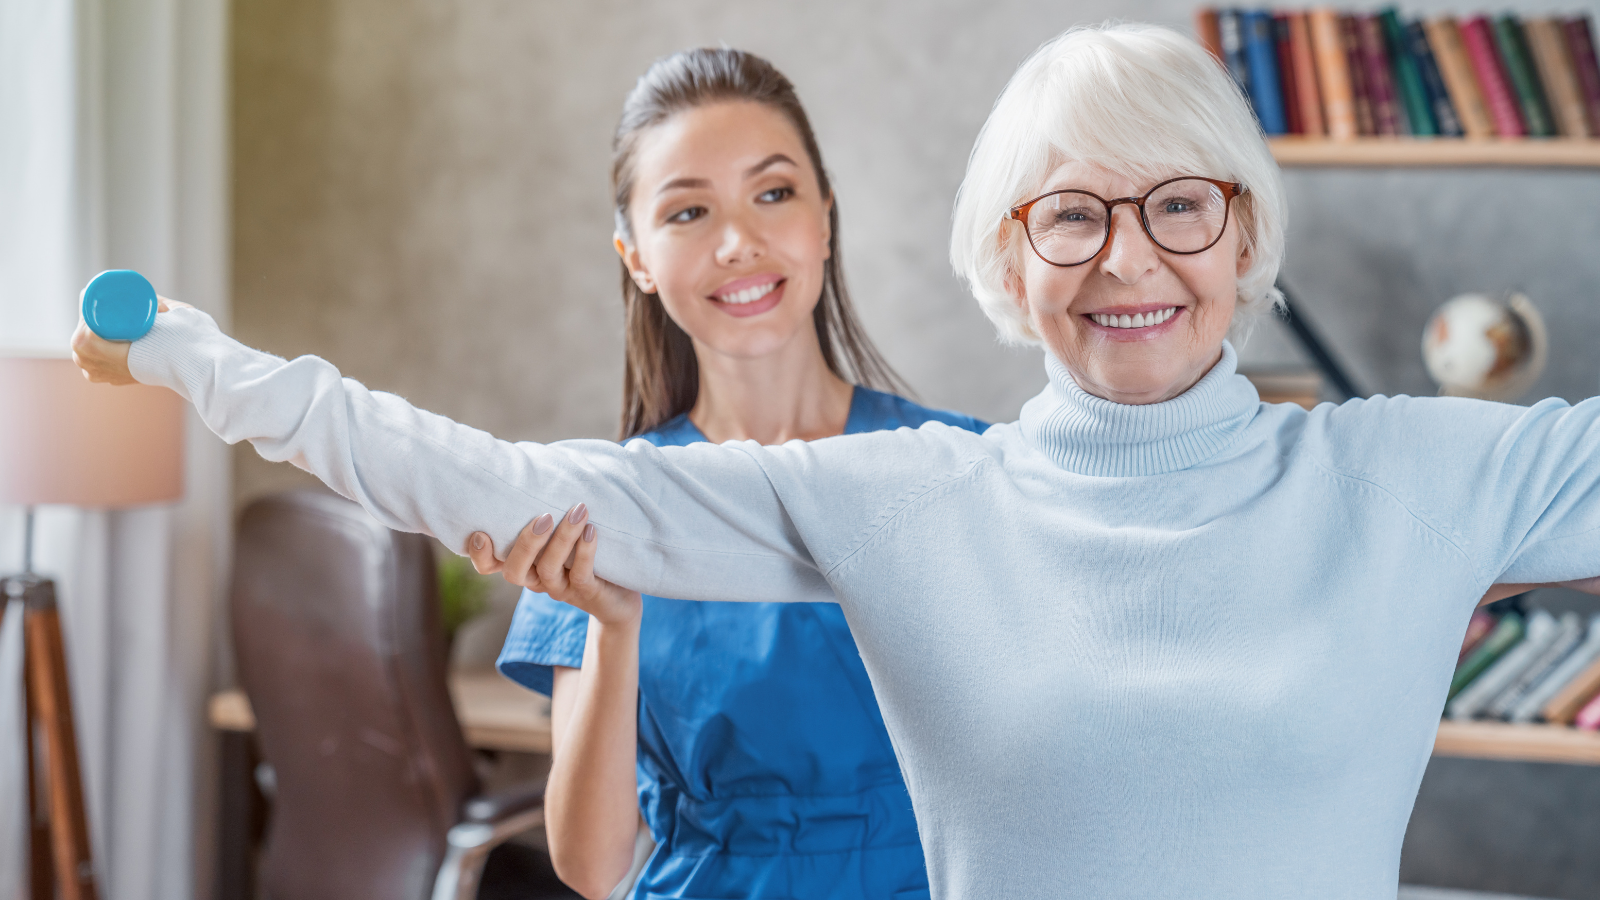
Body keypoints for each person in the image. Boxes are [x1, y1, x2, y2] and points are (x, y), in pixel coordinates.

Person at [73, 22, 1600, 900]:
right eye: (1071, 213)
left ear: (1250, 235)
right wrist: (193, 356)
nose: (1128, 255)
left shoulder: (1414, 475)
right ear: (1008, 259)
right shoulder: (908, 498)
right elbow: (482, 480)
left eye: (1180, 205)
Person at [469, 48, 982, 900]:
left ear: (824, 218)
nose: (739, 243)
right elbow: (593, 869)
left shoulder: (961, 473)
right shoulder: (600, 510)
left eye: (773, 194)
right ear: (636, 257)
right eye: (688, 212)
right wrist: (614, 624)